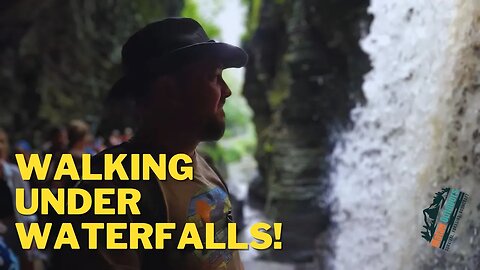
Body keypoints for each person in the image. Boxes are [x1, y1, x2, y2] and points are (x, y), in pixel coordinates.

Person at [54, 17, 248, 270]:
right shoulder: (110, 191)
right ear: (169, 92)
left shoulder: (204, 170)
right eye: (214, 77)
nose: (226, 91)